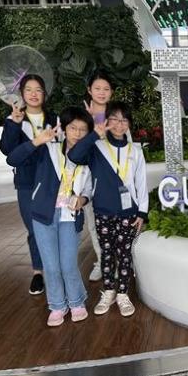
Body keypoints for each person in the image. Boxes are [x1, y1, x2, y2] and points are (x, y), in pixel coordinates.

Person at [6, 106, 93, 326]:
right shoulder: (48, 150)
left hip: (70, 216)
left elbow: (89, 188)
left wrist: (82, 200)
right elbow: (12, 159)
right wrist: (37, 141)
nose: (77, 133)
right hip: (43, 215)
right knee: (51, 266)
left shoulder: (89, 157)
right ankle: (57, 305)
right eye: (73, 128)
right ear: (64, 128)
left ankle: (76, 301)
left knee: (68, 264)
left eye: (83, 129)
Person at [68, 101, 148, 317]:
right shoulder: (97, 147)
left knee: (124, 254)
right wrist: (95, 134)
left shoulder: (135, 151)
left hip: (128, 212)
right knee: (107, 253)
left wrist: (142, 212)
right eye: (115, 119)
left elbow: (141, 183)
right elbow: (74, 156)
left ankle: (122, 294)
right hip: (103, 210)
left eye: (124, 120)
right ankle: (109, 291)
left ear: (129, 124)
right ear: (107, 121)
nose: (120, 124)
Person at [0, 74, 58, 296]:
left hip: (52, 181)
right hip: (27, 182)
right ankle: (38, 272)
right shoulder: (15, 119)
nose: (34, 94)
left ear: (44, 94)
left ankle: (57, 267)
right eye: (29, 90)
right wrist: (14, 124)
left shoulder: (54, 119)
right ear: (22, 94)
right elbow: (7, 149)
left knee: (54, 224)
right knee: (34, 228)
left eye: (38, 89)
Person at [84, 70, 114, 282]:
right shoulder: (83, 117)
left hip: (113, 177)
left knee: (116, 221)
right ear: (89, 90)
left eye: (106, 89)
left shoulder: (116, 115)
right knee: (93, 222)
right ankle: (102, 261)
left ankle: (119, 260)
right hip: (89, 177)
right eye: (97, 88)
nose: (102, 92)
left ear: (111, 92)